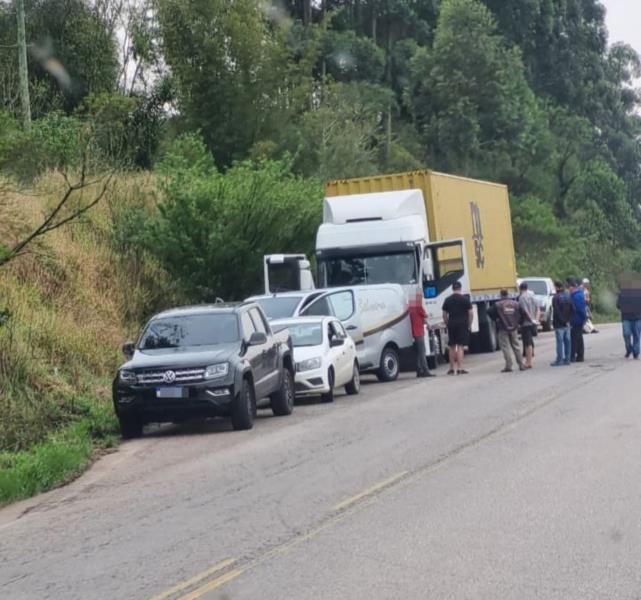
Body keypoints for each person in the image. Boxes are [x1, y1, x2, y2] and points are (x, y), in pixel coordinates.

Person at [488, 289, 524, 373]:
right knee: (516, 346)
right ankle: (521, 364)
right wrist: (518, 322)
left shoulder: (498, 304)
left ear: (501, 295)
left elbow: (489, 311)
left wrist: (496, 318)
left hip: (503, 328)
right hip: (514, 328)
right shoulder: (515, 304)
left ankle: (509, 365)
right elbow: (522, 313)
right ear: (508, 294)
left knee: (505, 347)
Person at [442, 281, 474, 375]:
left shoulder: (447, 299)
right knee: (460, 346)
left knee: (452, 346)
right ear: (460, 288)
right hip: (462, 324)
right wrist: (469, 324)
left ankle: (451, 368)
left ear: (452, 289)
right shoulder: (465, 299)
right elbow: (471, 313)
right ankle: (460, 368)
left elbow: (444, 314)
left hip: (451, 324)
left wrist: (447, 323)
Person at [409, 293, 435, 377]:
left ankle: (419, 370)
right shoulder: (418, 306)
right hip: (419, 332)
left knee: (417, 353)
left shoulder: (410, 306)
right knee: (422, 352)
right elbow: (425, 315)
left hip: (413, 332)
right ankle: (425, 370)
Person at [550, 281, 574, 366]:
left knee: (559, 342)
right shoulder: (568, 296)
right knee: (568, 341)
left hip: (559, 324)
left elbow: (556, 311)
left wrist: (562, 320)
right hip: (567, 323)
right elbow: (572, 309)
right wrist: (568, 320)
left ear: (556, 287)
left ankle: (559, 360)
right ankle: (567, 359)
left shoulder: (555, 298)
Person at [518, 282, 539, 369]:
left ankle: (528, 362)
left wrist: (531, 320)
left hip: (526, 323)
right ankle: (528, 360)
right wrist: (536, 320)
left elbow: (525, 311)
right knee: (530, 341)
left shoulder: (522, 298)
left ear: (520, 288)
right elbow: (538, 308)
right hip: (533, 322)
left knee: (527, 343)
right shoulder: (532, 296)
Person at [616, 288, 641, 359]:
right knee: (626, 334)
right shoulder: (622, 294)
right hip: (626, 318)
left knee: (636, 336)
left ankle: (636, 353)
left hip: (638, 318)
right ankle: (629, 349)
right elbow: (618, 305)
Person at [568, 278, 587, 362]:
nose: (568, 289)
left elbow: (580, 309)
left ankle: (576, 355)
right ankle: (579, 356)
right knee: (578, 338)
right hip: (576, 319)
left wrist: (584, 318)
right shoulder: (575, 295)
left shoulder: (577, 296)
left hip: (577, 320)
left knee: (575, 338)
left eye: (569, 287)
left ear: (573, 287)